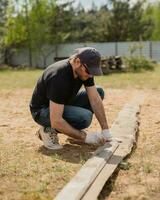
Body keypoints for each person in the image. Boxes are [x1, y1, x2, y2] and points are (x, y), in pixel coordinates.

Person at [29, 47, 113, 150]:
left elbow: (95, 99)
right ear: (78, 61)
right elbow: (56, 120)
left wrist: (105, 130)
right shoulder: (59, 75)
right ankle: (48, 130)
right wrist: (85, 137)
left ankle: (72, 132)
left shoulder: (84, 71)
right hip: (42, 111)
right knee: (84, 118)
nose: (90, 75)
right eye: (89, 71)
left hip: (62, 103)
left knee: (98, 92)